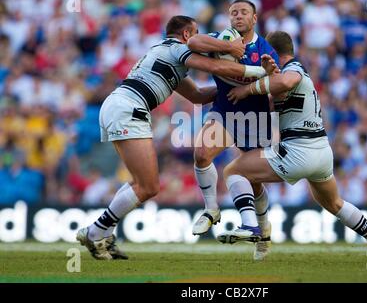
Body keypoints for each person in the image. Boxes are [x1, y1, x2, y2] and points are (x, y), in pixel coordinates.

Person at [76, 15, 274, 260]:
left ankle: (98, 232)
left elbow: (199, 95)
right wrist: (259, 74)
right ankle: (96, 232)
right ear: (188, 35)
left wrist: (234, 92)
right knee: (147, 186)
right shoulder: (178, 48)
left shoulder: (165, 55)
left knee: (141, 182)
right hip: (129, 108)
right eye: (197, 32)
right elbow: (216, 67)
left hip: (119, 105)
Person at [221, 31, 367, 262]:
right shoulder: (287, 73)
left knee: (233, 171)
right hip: (321, 152)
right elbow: (274, 96)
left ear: (273, 53)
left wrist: (247, 89)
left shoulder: (294, 69)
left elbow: (286, 81)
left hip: (298, 151)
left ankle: (254, 229)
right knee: (334, 203)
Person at [186, 0, 279, 261]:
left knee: (254, 182)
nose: (238, 16)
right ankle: (211, 209)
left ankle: (263, 229)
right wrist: (228, 47)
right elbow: (193, 43)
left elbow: (277, 82)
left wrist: (268, 76)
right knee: (202, 154)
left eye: (243, 12)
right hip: (224, 112)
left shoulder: (264, 48)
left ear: (255, 18)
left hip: (255, 119)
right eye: (233, 13)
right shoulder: (221, 39)